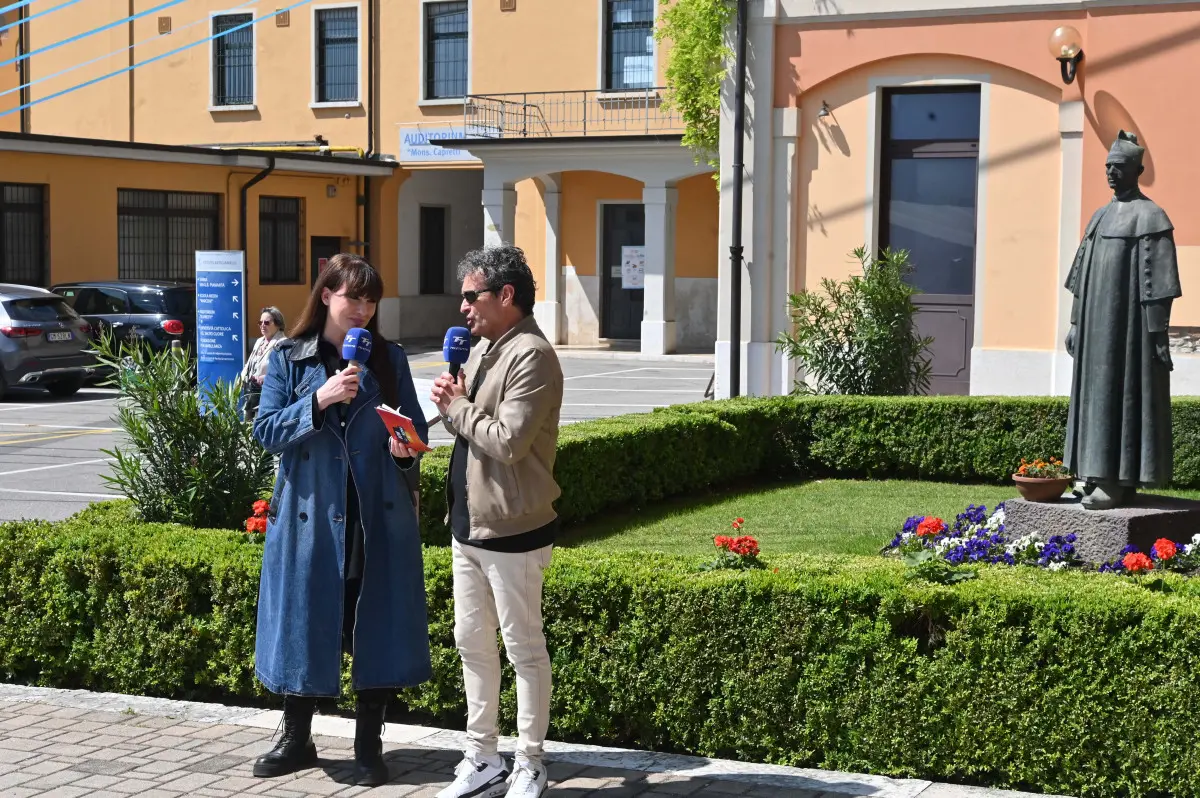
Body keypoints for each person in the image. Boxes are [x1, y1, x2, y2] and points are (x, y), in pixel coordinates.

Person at [252, 254, 432, 786]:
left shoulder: (388, 359)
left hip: (374, 511)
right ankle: (295, 735)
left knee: (372, 623)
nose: (362, 310)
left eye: (370, 300)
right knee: (306, 620)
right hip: (311, 516)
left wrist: (406, 447)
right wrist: (320, 398)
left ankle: (368, 742)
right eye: (353, 297)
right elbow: (265, 431)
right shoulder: (289, 357)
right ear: (326, 294)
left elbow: (415, 436)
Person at [431, 245, 564, 798]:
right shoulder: (486, 350)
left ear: (505, 296)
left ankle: (530, 762)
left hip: (514, 529)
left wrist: (456, 409)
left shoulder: (530, 354)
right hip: (470, 525)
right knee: (471, 643)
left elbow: (508, 442)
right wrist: (450, 408)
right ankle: (482, 757)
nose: (462, 308)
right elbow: (472, 428)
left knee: (523, 648)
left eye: (471, 296)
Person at [1064, 130, 1182, 510]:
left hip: (1127, 330)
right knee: (1094, 395)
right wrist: (1075, 323)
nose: (1111, 174)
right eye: (1107, 168)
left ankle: (1116, 482)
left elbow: (1159, 283)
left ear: (1138, 170)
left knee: (1122, 396)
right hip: (1095, 327)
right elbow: (1080, 276)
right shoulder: (1099, 217)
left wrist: (1156, 331)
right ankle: (1095, 475)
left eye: (1119, 167)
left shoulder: (1151, 216)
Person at [240, 306, 286, 421]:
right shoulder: (259, 341)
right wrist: (243, 377)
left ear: (278, 324)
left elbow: (284, 371)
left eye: (266, 322)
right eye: (260, 322)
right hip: (252, 390)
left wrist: (264, 378)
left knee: (261, 422)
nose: (262, 325)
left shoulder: (283, 343)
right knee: (248, 424)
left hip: (268, 392)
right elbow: (250, 361)